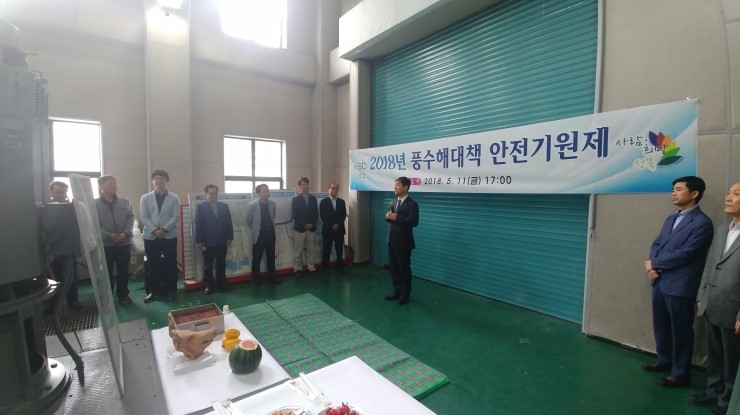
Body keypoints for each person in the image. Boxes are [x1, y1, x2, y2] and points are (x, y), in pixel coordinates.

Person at [642, 176, 714, 387]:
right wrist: (652, 267)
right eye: (673, 189)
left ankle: (680, 372)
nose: (674, 193)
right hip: (660, 281)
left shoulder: (702, 223)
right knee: (661, 325)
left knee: (681, 329)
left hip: (681, 285)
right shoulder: (670, 219)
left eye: (679, 189)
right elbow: (657, 243)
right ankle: (663, 359)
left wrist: (655, 263)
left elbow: (687, 253)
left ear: (694, 194)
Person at [691, 181, 740, 415]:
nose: (728, 198)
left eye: (736, 194)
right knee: (715, 353)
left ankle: (727, 400)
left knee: (732, 358)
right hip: (711, 304)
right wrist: (702, 295)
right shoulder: (722, 230)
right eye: (729, 193)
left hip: (733, 308)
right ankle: (713, 391)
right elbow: (710, 265)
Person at [140, 169, 180, 302]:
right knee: (153, 265)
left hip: (169, 236)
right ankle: (154, 291)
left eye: (162, 179)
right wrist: (155, 231)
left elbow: (175, 216)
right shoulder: (145, 197)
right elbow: (144, 217)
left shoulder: (174, 197)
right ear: (153, 181)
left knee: (171, 264)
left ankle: (172, 290)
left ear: (166, 181)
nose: (159, 181)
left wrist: (164, 230)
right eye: (156, 178)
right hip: (151, 236)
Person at [95, 175, 135, 305]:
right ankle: (107, 296)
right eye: (111, 183)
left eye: (116, 183)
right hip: (106, 244)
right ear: (102, 186)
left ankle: (123, 295)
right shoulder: (94, 204)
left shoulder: (125, 202)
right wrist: (108, 235)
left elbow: (131, 218)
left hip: (124, 243)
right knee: (106, 271)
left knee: (123, 270)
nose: (115, 186)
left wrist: (126, 233)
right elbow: (94, 223)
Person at [384, 176, 419, 305]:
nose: (395, 187)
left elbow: (414, 222)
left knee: (404, 270)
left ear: (405, 187)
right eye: (395, 185)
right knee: (394, 270)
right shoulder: (393, 202)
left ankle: (405, 294)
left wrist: (396, 217)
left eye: (398, 185)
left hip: (404, 244)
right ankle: (397, 291)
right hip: (391, 242)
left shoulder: (412, 204)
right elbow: (390, 218)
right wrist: (387, 216)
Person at [194, 184, 233, 295]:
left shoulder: (224, 206)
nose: (214, 195)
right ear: (206, 194)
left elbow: (229, 223)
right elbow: (198, 225)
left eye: (215, 193)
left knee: (221, 263)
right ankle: (208, 285)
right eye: (211, 193)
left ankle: (221, 283)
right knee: (208, 265)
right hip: (208, 241)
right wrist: (199, 241)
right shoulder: (201, 208)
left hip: (222, 240)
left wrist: (230, 237)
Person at [49, 181, 81, 309]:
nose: (62, 195)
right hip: (53, 251)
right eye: (58, 192)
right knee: (53, 277)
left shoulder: (72, 208)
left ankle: (73, 300)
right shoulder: (47, 209)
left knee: (71, 276)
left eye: (64, 192)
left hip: (69, 248)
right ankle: (53, 304)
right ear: (51, 193)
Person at [247, 184, 280, 285]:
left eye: (268, 191)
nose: (267, 193)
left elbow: (273, 216)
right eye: (264, 191)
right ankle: (256, 278)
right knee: (257, 257)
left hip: (270, 233)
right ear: (258, 193)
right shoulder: (252, 205)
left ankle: (272, 276)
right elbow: (249, 220)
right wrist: (257, 229)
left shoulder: (272, 204)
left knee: (271, 256)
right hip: (259, 234)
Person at [291, 177, 319, 275]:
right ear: (300, 186)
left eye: (307, 184)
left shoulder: (313, 198)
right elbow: (295, 215)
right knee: (298, 251)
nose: (306, 186)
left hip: (311, 229)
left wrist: (312, 224)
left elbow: (316, 213)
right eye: (303, 184)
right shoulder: (295, 199)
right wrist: (304, 225)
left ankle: (311, 267)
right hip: (300, 229)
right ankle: (298, 269)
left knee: (311, 250)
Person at [319, 182, 347, 275]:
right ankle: (325, 268)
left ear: (338, 190)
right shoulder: (323, 202)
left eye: (336, 188)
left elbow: (343, 215)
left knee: (339, 250)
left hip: (339, 230)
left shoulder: (341, 202)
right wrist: (332, 225)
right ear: (329, 189)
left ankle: (339, 266)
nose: (334, 190)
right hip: (328, 229)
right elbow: (323, 215)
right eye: (332, 188)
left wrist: (337, 224)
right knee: (327, 249)